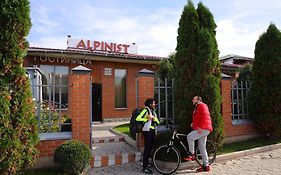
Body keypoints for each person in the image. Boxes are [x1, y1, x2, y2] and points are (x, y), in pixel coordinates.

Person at [184, 96, 213, 172]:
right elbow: (198, 117)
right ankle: (206, 166)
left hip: (203, 128)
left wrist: (200, 127)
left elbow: (205, 116)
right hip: (204, 128)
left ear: (198, 100)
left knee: (189, 136)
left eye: (194, 99)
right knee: (202, 147)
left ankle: (192, 154)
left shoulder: (202, 105)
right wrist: (193, 124)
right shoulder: (198, 107)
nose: (192, 100)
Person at [136, 98, 160, 174]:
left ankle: (146, 163)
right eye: (153, 103)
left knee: (150, 148)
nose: (154, 104)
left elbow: (158, 122)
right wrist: (146, 118)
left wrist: (154, 118)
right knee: (147, 148)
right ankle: (144, 167)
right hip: (147, 131)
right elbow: (138, 118)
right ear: (150, 104)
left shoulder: (153, 111)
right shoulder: (145, 110)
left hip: (152, 131)